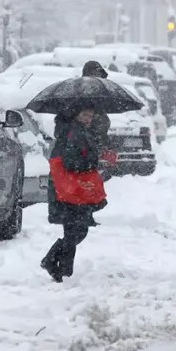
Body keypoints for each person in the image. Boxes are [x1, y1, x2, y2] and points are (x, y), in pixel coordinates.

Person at [41, 108, 103, 282]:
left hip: (70, 189)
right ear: (76, 115)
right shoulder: (73, 132)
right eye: (85, 114)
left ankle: (55, 263)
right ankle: (62, 269)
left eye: (90, 115)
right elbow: (71, 161)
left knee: (76, 230)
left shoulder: (75, 131)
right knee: (75, 230)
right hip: (71, 189)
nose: (88, 118)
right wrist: (91, 161)